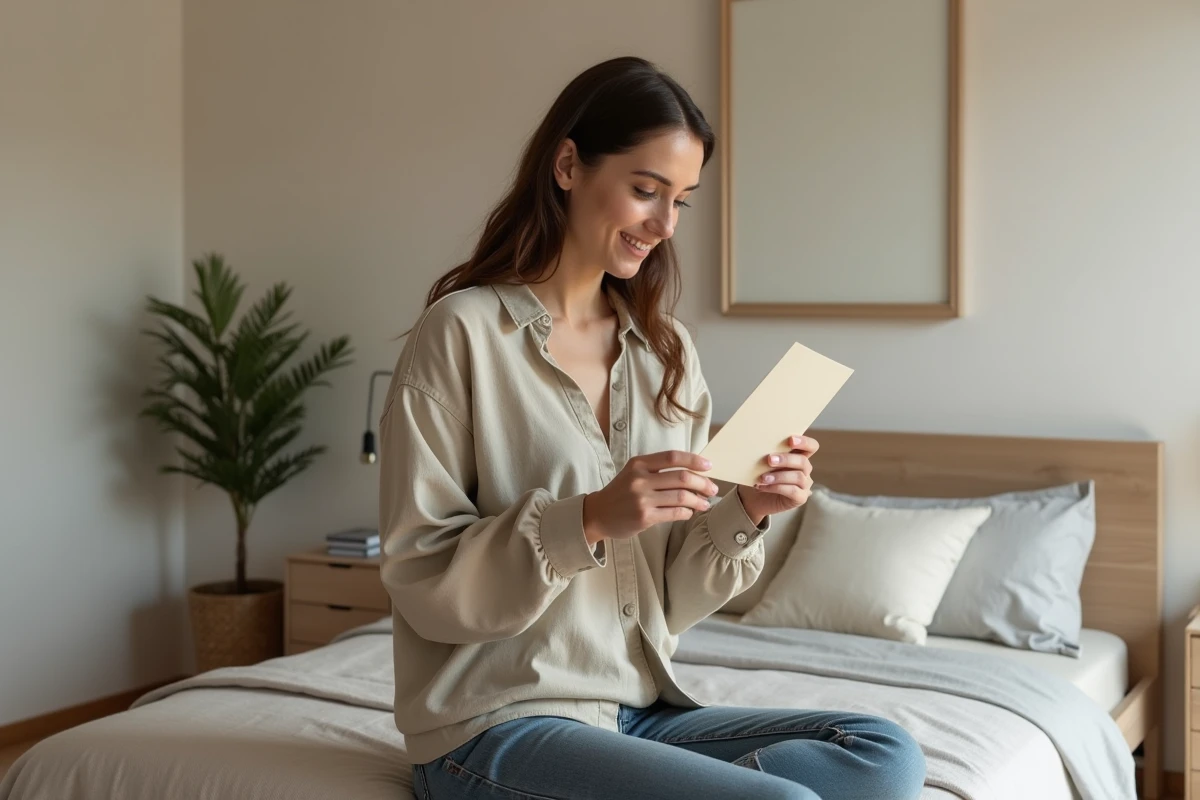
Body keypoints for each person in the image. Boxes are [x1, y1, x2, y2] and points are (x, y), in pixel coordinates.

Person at [377, 56, 926, 800]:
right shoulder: (463, 333)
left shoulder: (664, 352)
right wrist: (591, 518)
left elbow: (664, 599)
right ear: (568, 165)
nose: (664, 226)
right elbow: (420, 573)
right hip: (494, 724)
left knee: (882, 753)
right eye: (645, 190)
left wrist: (749, 512)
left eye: (682, 202)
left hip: (635, 710)